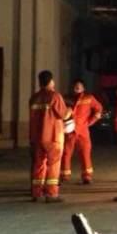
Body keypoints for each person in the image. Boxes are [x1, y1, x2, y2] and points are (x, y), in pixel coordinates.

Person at [29, 70, 71, 203]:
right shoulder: (55, 96)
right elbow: (63, 115)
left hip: (37, 137)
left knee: (38, 164)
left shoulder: (34, 98)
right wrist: (70, 110)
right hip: (53, 136)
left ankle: (36, 192)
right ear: (51, 81)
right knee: (54, 165)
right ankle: (51, 193)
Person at [61, 79, 103, 185]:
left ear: (83, 88)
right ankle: (64, 175)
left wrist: (90, 122)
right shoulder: (65, 98)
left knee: (85, 153)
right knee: (66, 153)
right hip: (69, 131)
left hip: (83, 131)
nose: (77, 87)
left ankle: (87, 176)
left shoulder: (89, 98)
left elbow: (98, 108)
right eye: (75, 85)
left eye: (79, 85)